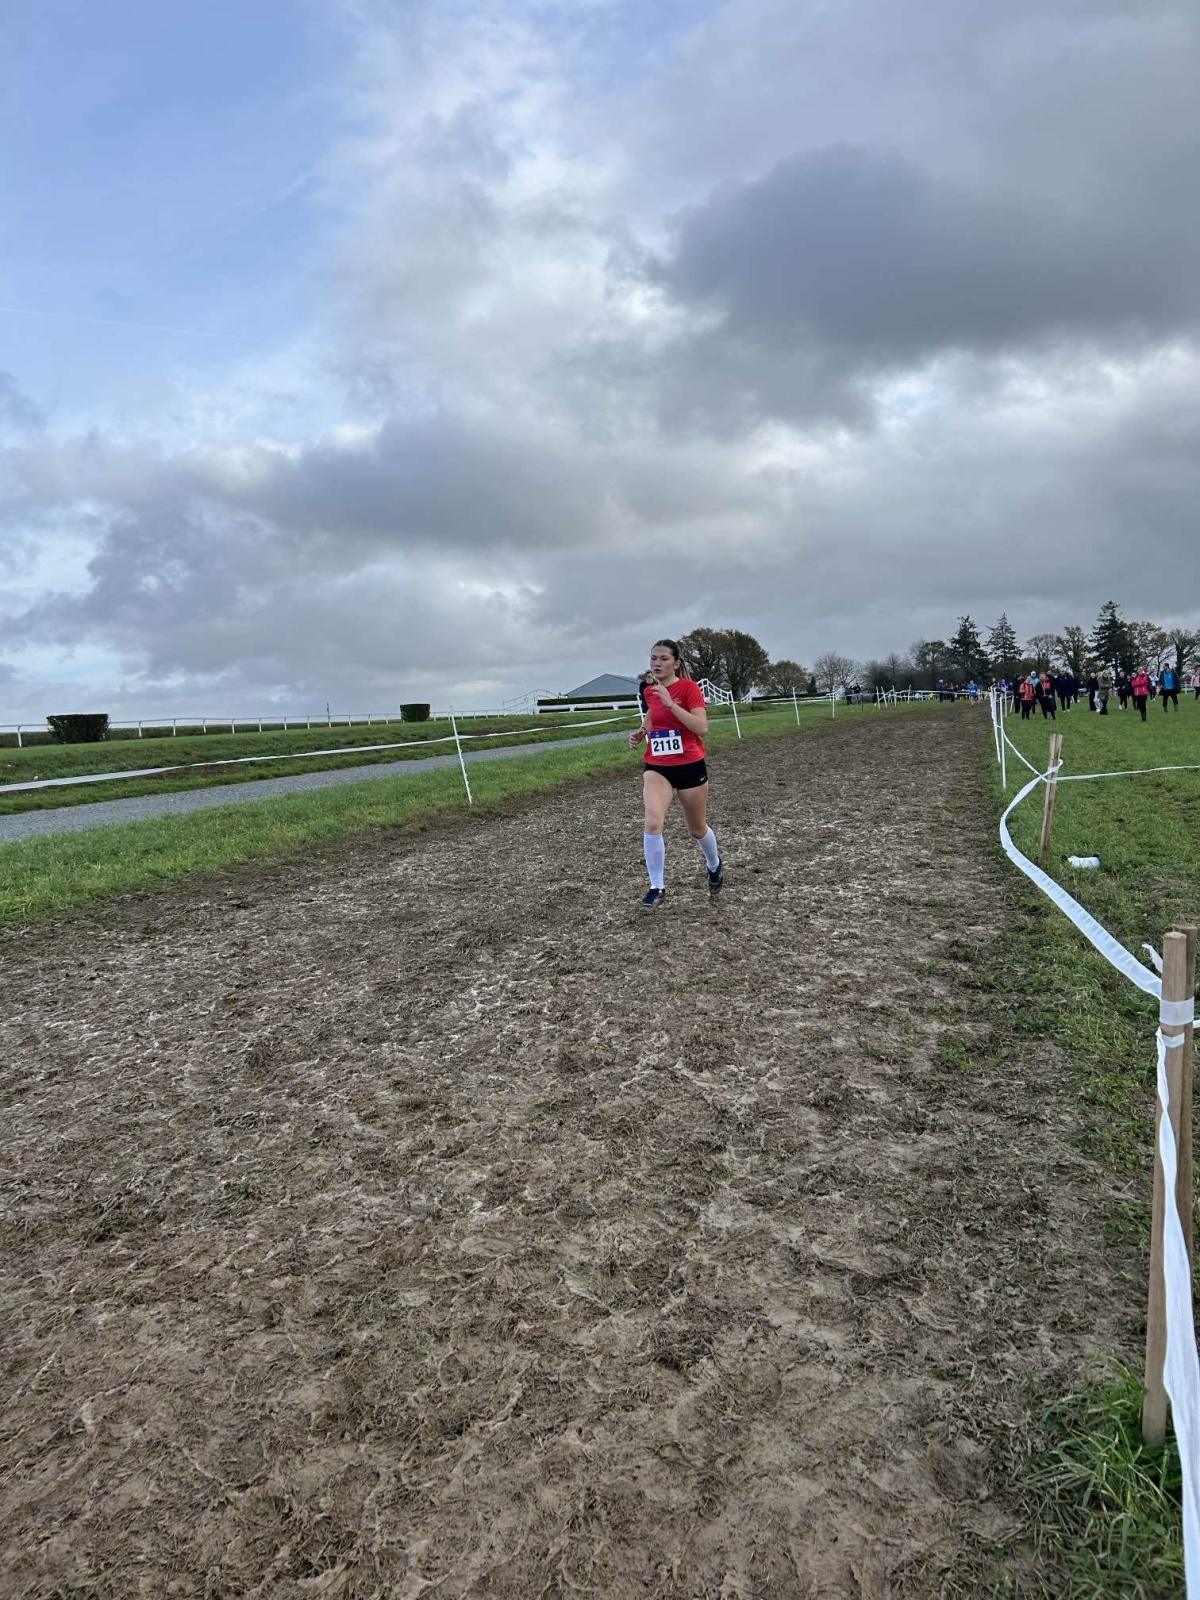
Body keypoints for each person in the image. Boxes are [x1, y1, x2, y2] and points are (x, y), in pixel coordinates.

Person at [628, 638, 723, 909]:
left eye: (663, 659)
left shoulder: (689, 689)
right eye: (653, 658)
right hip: (657, 766)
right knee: (653, 823)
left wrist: (671, 704)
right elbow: (651, 715)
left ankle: (714, 865)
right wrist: (642, 732)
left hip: (690, 765)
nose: (656, 663)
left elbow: (701, 728)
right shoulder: (649, 690)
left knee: (697, 829)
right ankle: (656, 887)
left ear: (676, 663)